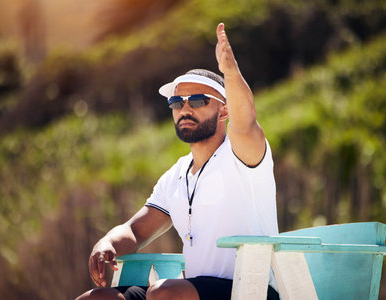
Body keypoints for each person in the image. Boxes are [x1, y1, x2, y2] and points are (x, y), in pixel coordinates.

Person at [75, 23, 279, 300]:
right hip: (190, 292)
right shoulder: (176, 175)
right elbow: (135, 231)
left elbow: (246, 123)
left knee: (166, 293)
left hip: (252, 291)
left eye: (196, 101)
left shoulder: (242, 155)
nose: (184, 109)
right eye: (177, 102)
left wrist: (230, 73)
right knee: (96, 299)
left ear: (224, 110)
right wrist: (107, 242)